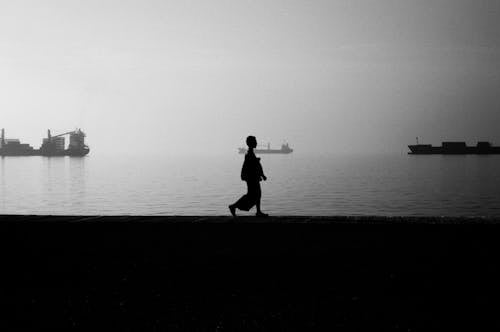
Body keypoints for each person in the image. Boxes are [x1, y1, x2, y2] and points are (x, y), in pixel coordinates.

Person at [229, 136, 268, 217]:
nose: (256, 143)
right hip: (251, 178)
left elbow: (256, 165)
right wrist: (261, 173)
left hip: (253, 177)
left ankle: (258, 211)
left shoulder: (251, 153)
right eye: (255, 141)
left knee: (257, 194)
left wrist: (261, 174)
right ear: (251, 143)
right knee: (252, 195)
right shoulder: (249, 154)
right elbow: (253, 166)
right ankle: (233, 206)